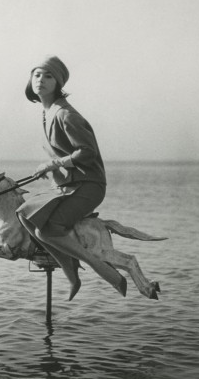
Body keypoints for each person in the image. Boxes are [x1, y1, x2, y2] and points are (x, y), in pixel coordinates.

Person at [17, 55, 127, 301]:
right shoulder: (47, 113)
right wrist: (52, 169)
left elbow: (88, 152)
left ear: (58, 83)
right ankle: (71, 272)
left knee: (48, 231)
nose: (41, 80)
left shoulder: (66, 115)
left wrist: (55, 163)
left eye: (48, 76)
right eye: (37, 75)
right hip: (68, 185)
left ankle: (102, 270)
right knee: (24, 213)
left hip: (89, 184)